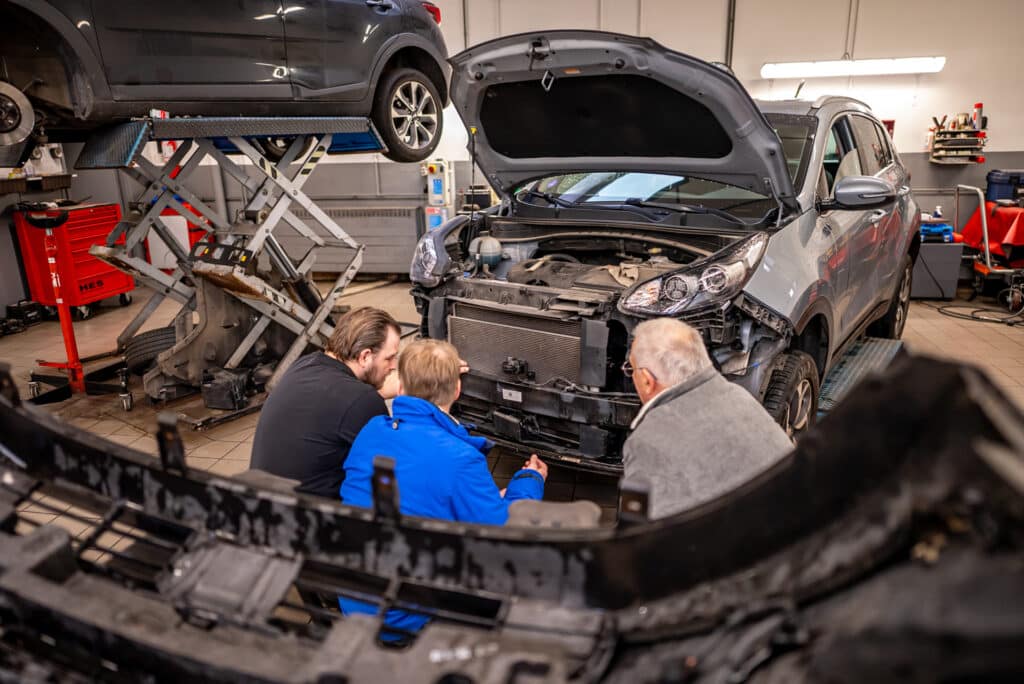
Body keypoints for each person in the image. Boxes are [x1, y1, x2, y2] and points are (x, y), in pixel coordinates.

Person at [339, 338, 547, 638]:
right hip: (408, 613)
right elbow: (502, 537)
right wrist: (529, 482)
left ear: (400, 388)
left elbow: (419, 494)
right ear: (458, 390)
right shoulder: (460, 458)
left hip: (356, 600)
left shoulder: (371, 431)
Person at [622, 318, 793, 519]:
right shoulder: (738, 396)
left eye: (629, 369)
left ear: (646, 380)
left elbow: (650, 537)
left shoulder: (648, 441)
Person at [249, 307, 401, 498]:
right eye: (390, 358)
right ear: (365, 356)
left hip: (259, 509)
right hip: (312, 520)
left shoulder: (305, 364)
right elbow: (396, 469)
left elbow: (336, 403)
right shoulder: (362, 400)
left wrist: (373, 391)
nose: (394, 366)